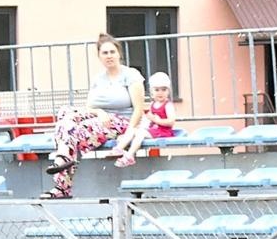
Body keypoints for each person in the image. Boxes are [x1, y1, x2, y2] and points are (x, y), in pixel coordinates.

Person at [41, 34, 145, 199]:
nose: (109, 56)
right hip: (99, 118)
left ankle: (62, 181)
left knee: (72, 134)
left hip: (121, 121)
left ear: (119, 54)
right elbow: (89, 107)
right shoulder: (98, 79)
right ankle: (63, 159)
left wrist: (129, 131)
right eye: (104, 53)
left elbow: (139, 108)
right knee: (64, 114)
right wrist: (99, 112)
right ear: (99, 56)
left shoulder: (130, 75)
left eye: (112, 52)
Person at [112, 71, 178, 167]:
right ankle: (118, 148)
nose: (160, 92)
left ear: (168, 91)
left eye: (164, 89)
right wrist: (144, 124)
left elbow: (171, 122)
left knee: (140, 133)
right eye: (157, 90)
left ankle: (129, 155)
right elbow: (147, 121)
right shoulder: (152, 104)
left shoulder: (168, 105)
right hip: (153, 130)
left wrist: (156, 120)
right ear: (152, 92)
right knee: (135, 130)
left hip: (163, 131)